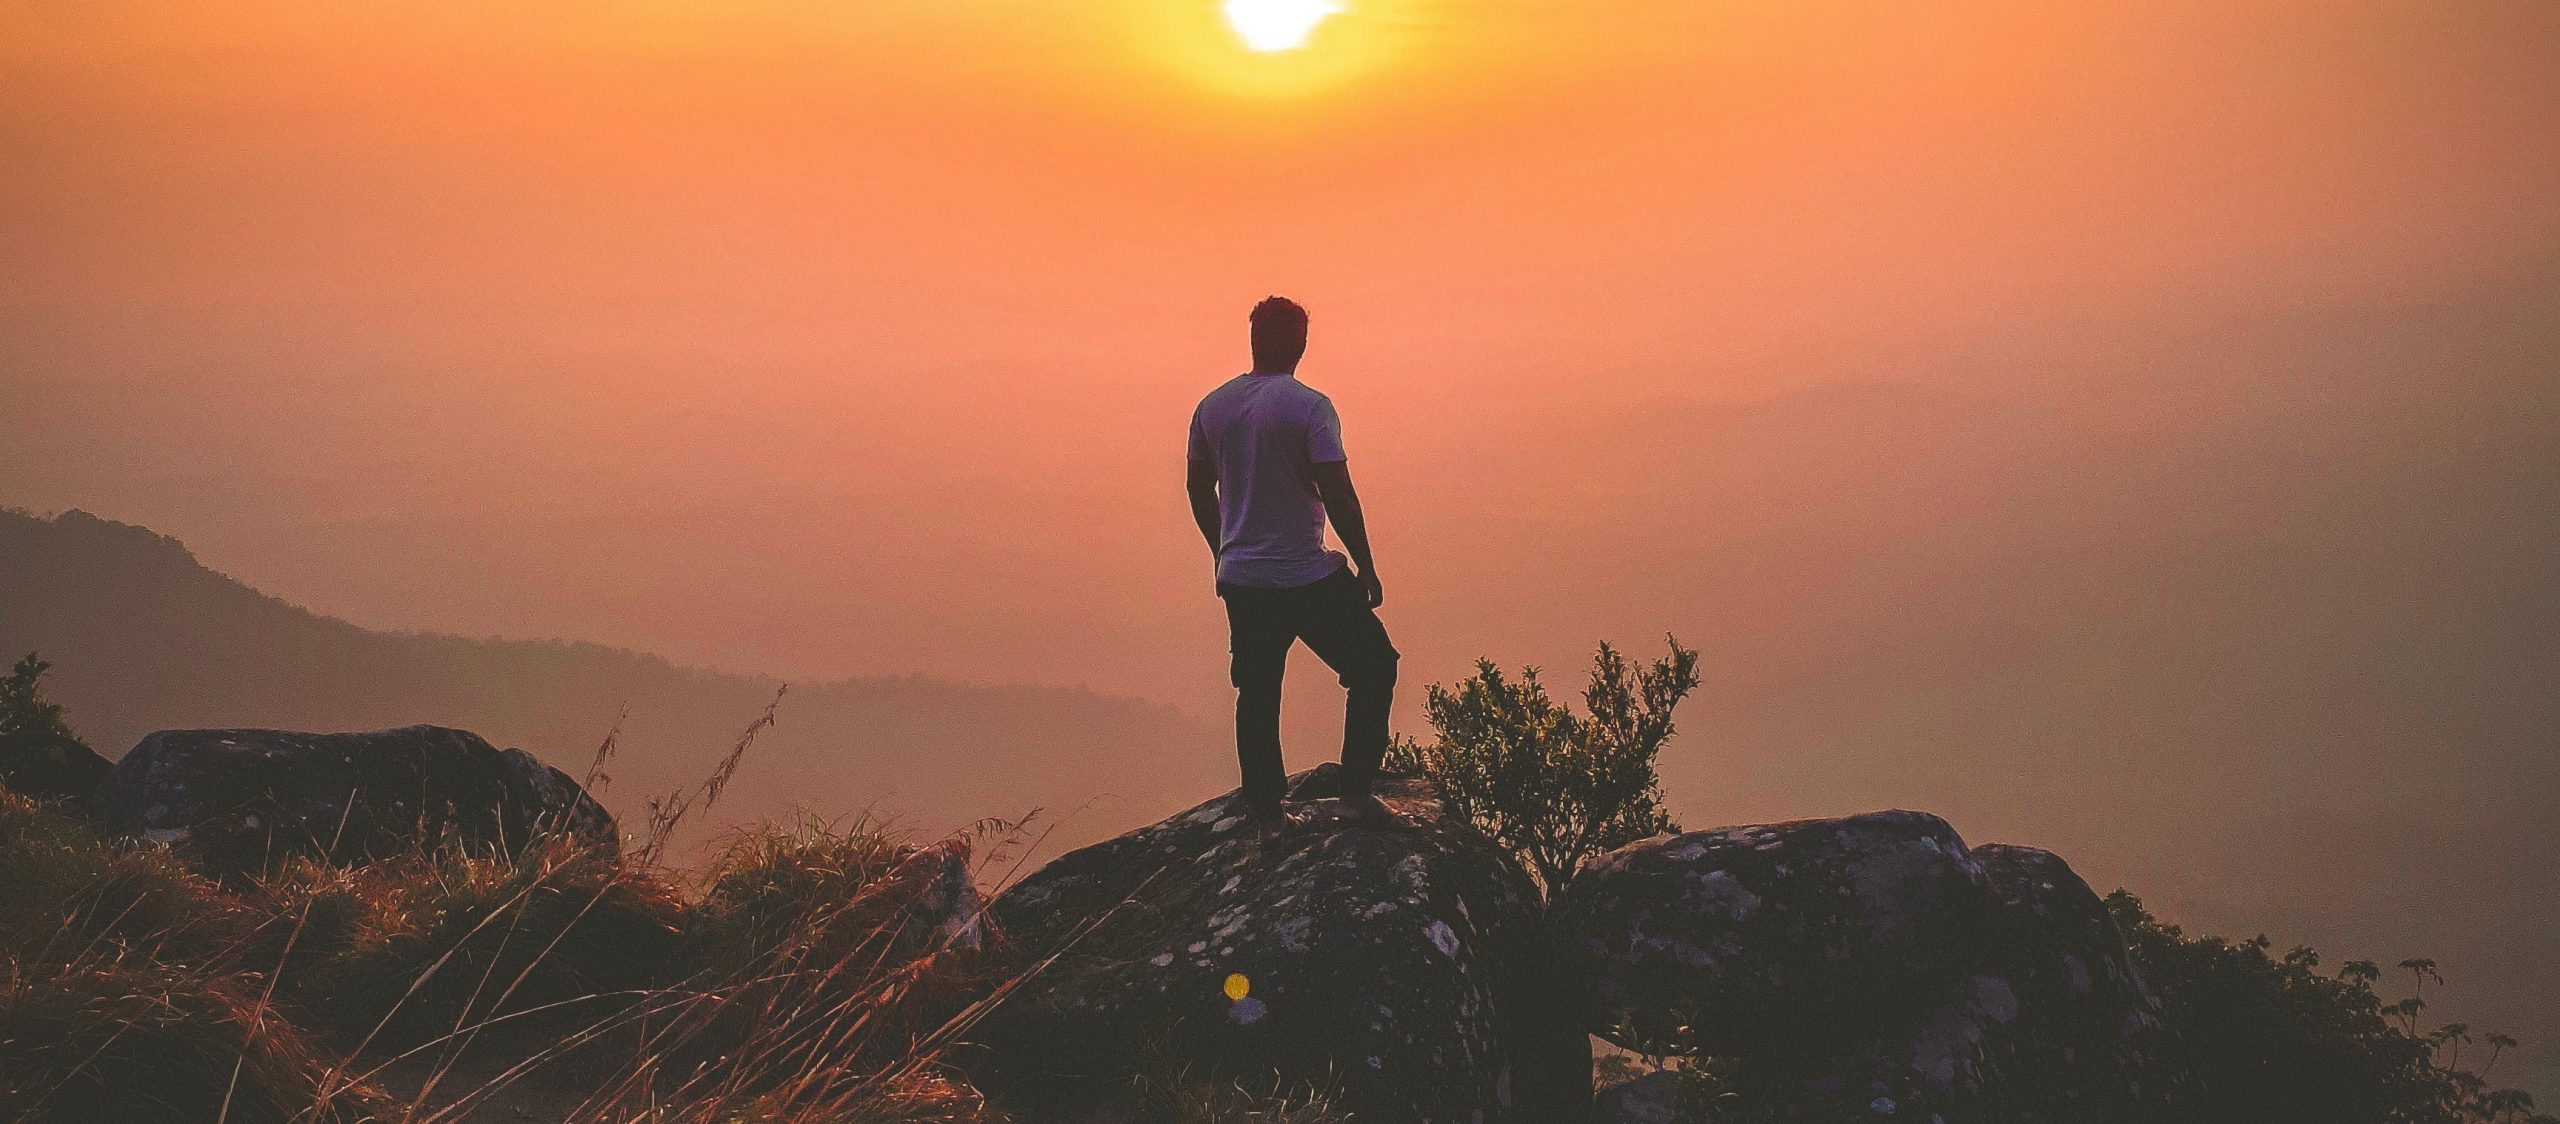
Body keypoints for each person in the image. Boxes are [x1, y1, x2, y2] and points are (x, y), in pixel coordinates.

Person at [1186, 296, 1399, 835]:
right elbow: (1337, 492)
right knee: (1374, 666)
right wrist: (1367, 566)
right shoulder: (1310, 408)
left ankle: (1268, 816)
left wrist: (1223, 549)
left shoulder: (1213, 406)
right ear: (1301, 344)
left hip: (1244, 580)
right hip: (1306, 574)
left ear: (1254, 339)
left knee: (1257, 693)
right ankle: (1355, 795)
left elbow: (1198, 487)